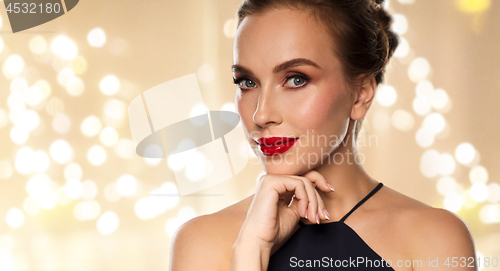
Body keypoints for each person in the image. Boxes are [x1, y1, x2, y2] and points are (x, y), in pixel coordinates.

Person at [170, 0, 477, 270]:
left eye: (296, 79)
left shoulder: (435, 238)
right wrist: (251, 253)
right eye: (247, 82)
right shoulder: (202, 242)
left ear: (360, 95)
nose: (261, 115)